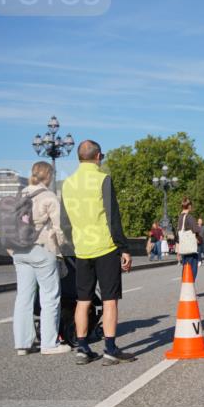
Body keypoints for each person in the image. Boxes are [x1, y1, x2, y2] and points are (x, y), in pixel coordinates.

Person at [61, 140, 136, 366]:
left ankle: (83, 348)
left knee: (82, 300)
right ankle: (110, 349)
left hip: (81, 250)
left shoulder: (67, 183)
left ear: (78, 157)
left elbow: (64, 222)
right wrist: (124, 248)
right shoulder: (103, 179)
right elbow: (113, 217)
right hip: (105, 247)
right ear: (98, 156)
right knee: (109, 299)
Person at [10, 161, 72, 356]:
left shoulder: (19, 195)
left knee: (23, 297)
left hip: (19, 251)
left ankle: (22, 344)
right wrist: (64, 247)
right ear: (49, 175)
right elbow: (59, 228)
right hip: (42, 249)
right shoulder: (48, 196)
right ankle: (49, 343)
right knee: (50, 296)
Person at [176, 199, 204, 280]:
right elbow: (196, 229)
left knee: (185, 267)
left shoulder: (180, 217)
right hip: (190, 247)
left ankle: (185, 287)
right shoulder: (189, 217)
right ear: (189, 206)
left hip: (184, 246)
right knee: (192, 267)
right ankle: (190, 288)